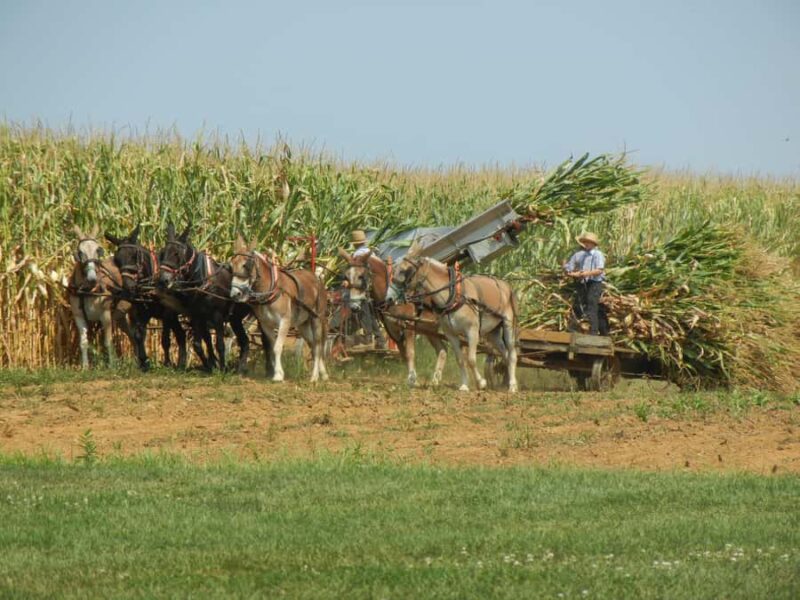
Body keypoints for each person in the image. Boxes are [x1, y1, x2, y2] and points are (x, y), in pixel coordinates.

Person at [563, 232, 609, 336]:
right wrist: (568, 271)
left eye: (588, 242)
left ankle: (594, 332)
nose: (586, 244)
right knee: (578, 304)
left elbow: (599, 270)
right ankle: (576, 329)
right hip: (583, 282)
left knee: (592, 304)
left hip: (595, 283)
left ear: (593, 244)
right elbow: (569, 267)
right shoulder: (579, 255)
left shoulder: (597, 254)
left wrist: (586, 273)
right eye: (585, 242)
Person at [348, 229, 387, 349]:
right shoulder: (372, 254)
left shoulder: (357, 256)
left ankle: (368, 335)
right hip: (377, 289)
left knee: (362, 308)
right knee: (371, 310)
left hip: (363, 287)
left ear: (354, 244)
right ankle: (379, 338)